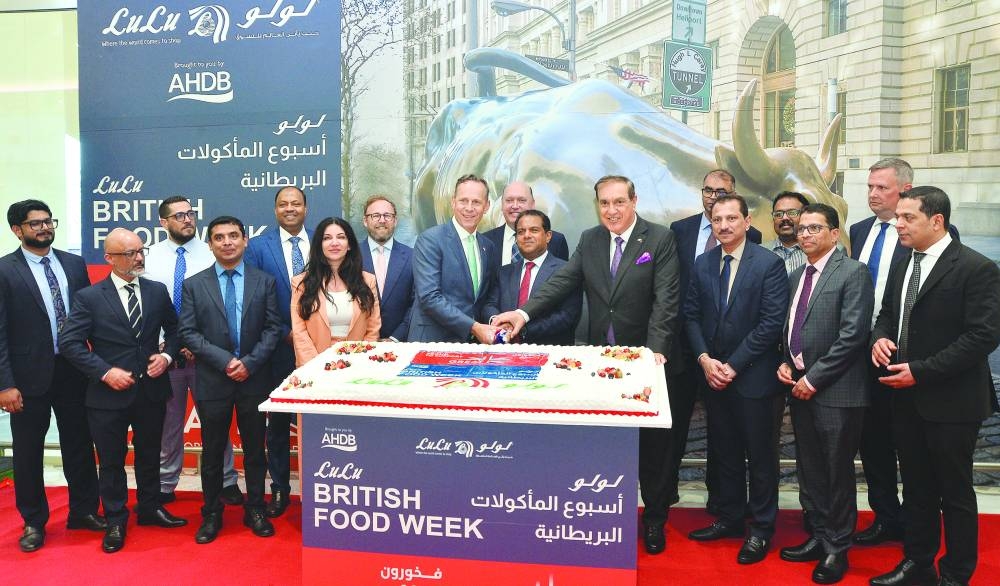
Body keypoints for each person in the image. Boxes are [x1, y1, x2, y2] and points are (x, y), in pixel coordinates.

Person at [494, 174, 682, 555]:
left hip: (647, 361)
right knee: (609, 444)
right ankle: (607, 515)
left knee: (653, 449)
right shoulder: (590, 239)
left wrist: (655, 351)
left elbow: (666, 300)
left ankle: (654, 519)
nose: (611, 211)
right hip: (603, 363)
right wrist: (522, 313)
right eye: (604, 203)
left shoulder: (659, 239)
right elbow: (562, 281)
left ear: (634, 201)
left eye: (619, 202)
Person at [869, 187, 1000, 586]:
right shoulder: (903, 262)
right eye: (898, 216)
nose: (898, 224)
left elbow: (982, 337)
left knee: (954, 492)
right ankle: (917, 563)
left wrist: (921, 372)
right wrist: (879, 337)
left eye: (907, 217)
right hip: (905, 397)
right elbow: (887, 313)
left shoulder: (976, 268)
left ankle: (956, 574)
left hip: (953, 402)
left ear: (937, 221)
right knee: (916, 487)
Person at [848, 158, 964, 547]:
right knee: (873, 442)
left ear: (906, 190)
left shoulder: (934, 236)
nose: (873, 194)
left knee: (914, 447)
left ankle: (920, 527)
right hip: (866, 351)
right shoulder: (858, 230)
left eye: (882, 187)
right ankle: (886, 517)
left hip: (912, 358)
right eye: (869, 187)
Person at [60, 228, 187, 554]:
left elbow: (176, 331)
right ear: (109, 258)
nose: (139, 257)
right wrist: (105, 371)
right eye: (130, 253)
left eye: (141, 251)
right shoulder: (89, 297)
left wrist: (166, 357)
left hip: (151, 390)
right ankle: (116, 518)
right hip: (107, 395)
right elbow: (70, 343)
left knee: (150, 454)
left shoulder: (157, 291)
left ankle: (150, 507)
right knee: (112, 461)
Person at [684, 194, 788, 565]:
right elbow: (691, 316)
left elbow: (771, 323)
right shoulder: (703, 263)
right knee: (724, 453)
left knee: (760, 458)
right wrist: (704, 360)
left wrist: (733, 365)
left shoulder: (769, 264)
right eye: (717, 220)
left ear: (747, 221)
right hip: (714, 377)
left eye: (731, 218)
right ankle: (729, 518)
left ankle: (761, 528)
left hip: (753, 378)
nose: (724, 225)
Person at [776, 204, 873, 584]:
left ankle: (837, 547)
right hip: (800, 386)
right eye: (802, 228)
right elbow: (791, 327)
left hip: (836, 391)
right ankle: (818, 535)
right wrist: (786, 362)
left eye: (815, 228)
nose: (805, 234)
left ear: (835, 233)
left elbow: (853, 335)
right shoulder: (797, 275)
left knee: (836, 472)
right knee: (810, 468)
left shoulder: (852, 272)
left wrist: (813, 378)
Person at [0, 199, 104, 552]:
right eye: (36, 223)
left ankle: (84, 511)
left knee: (80, 443)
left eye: (48, 221)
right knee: (28, 452)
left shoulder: (73, 264)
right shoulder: (4, 270)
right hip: (26, 378)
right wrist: (5, 384)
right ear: (17, 230)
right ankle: (33, 521)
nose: (45, 228)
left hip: (74, 370)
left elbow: (89, 318)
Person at [179, 216, 283, 544]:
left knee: (255, 450)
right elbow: (188, 332)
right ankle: (211, 513)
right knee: (212, 452)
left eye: (234, 236)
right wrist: (226, 362)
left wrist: (248, 364)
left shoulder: (264, 281)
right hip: (214, 379)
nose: (227, 242)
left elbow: (273, 328)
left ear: (245, 240)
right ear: (209, 243)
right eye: (219, 237)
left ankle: (256, 508)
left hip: (254, 378)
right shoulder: (194, 284)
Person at [669, 169, 762, 517]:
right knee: (675, 425)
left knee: (723, 431)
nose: (713, 197)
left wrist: (727, 359)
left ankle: (719, 500)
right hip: (685, 345)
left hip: (729, 356)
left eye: (721, 192)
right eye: (708, 190)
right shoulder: (680, 230)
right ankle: (666, 493)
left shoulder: (753, 240)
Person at [144, 196, 243, 506]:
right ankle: (165, 482)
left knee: (216, 421)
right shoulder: (149, 257)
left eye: (190, 213)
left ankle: (227, 480)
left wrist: (197, 344)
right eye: (179, 216)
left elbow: (223, 302)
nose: (187, 219)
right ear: (163, 222)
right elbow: (147, 304)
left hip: (208, 355)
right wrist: (168, 344)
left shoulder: (213, 252)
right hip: (165, 355)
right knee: (168, 424)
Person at [245, 185, 309, 518]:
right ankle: (281, 489)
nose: (290, 208)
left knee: (321, 423)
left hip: (321, 350)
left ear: (305, 208)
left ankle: (319, 487)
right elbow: (255, 298)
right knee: (279, 425)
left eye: (295, 203)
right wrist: (287, 333)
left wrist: (309, 335)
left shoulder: (324, 241)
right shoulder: (258, 247)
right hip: (278, 348)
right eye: (283, 204)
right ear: (275, 210)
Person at [409, 174, 500, 343]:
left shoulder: (488, 247)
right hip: (432, 341)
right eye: (463, 201)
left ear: (487, 206)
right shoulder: (430, 240)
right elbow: (429, 297)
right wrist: (474, 327)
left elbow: (486, 297)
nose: (469, 208)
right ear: (453, 202)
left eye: (476, 202)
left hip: (470, 344)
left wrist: (496, 321)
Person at [483, 210, 582, 345]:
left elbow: (567, 316)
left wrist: (521, 329)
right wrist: (498, 322)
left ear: (548, 236)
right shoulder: (503, 272)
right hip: (505, 350)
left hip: (550, 351)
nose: (526, 235)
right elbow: (489, 304)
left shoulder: (567, 271)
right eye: (521, 232)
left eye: (534, 230)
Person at [291, 217, 381, 363]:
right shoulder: (301, 283)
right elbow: (299, 332)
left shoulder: (368, 281)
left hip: (357, 364)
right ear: (319, 245)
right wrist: (315, 367)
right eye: (327, 238)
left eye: (341, 237)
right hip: (314, 366)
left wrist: (358, 363)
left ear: (349, 244)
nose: (334, 243)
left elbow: (373, 329)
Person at [358, 196, 412, 341]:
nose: (382, 220)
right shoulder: (350, 256)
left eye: (387, 215)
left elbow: (417, 304)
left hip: (401, 344)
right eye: (375, 215)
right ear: (365, 221)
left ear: (395, 221)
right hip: (359, 344)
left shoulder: (412, 257)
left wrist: (395, 338)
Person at [482, 181, 570, 265]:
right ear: (502, 205)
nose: (515, 206)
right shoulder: (485, 241)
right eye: (509, 200)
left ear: (533, 204)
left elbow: (562, 274)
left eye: (521, 200)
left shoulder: (556, 241)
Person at [763, 191, 809, 275]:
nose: (784, 218)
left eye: (792, 213)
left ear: (806, 216)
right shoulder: (758, 253)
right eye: (778, 214)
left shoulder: (820, 251)